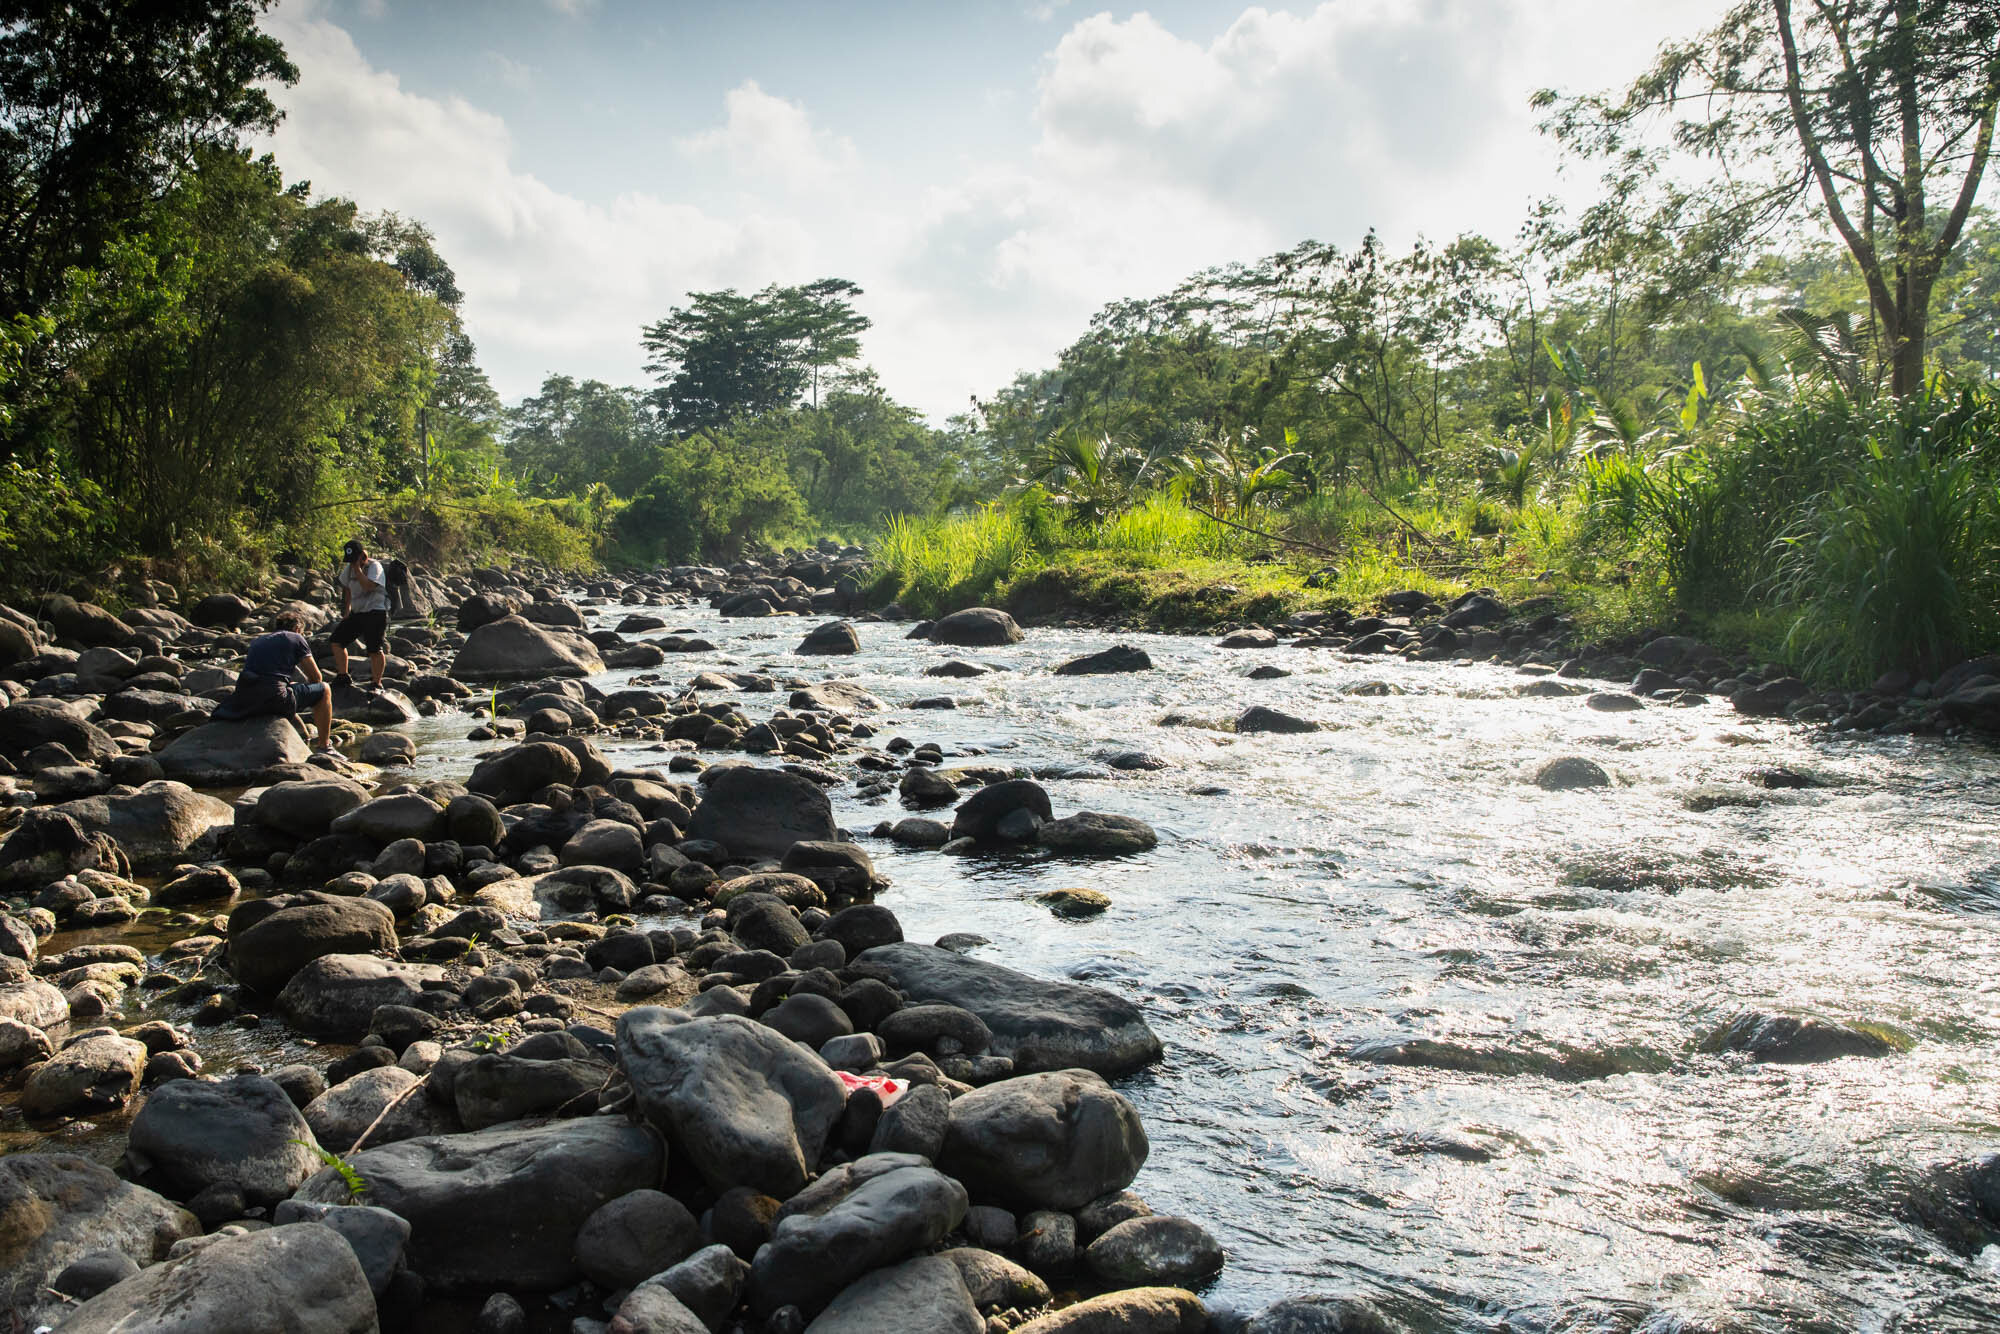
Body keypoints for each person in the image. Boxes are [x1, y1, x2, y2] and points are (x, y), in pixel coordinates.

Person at [214, 611, 334, 750]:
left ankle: (301, 734)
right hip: (274, 698)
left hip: (245, 699)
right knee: (324, 689)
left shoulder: (258, 641)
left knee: (288, 687)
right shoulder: (296, 637)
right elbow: (316, 678)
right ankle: (324, 746)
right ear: (297, 629)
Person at [328, 538, 389, 690]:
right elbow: (347, 588)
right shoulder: (348, 569)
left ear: (363, 556)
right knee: (336, 641)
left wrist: (358, 569)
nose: (352, 563)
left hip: (376, 612)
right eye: (350, 561)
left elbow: (368, 586)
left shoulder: (375, 567)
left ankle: (376, 682)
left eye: (354, 559)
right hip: (358, 612)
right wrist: (347, 610)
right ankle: (343, 675)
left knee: (374, 649)